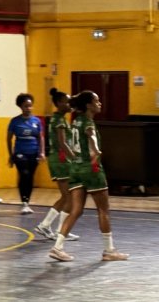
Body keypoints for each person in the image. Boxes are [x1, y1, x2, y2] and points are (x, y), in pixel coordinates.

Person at [49, 91, 129, 263]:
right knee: (103, 210)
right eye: (96, 101)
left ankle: (58, 247)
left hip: (75, 169)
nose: (99, 103)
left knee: (76, 210)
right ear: (88, 105)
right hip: (91, 169)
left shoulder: (75, 122)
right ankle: (109, 250)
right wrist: (96, 151)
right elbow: (91, 136)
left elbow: (70, 144)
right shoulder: (87, 123)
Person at [35, 88, 79, 241]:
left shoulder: (58, 118)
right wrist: (75, 158)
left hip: (59, 159)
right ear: (59, 103)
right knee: (69, 197)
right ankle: (59, 230)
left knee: (67, 196)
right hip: (61, 160)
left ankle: (48, 226)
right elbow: (62, 143)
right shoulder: (59, 120)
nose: (70, 104)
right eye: (68, 102)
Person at [7, 93, 45, 214]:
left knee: (30, 177)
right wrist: (11, 155)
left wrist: (42, 152)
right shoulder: (15, 121)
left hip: (33, 153)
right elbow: (9, 139)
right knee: (24, 173)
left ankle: (27, 202)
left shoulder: (36, 121)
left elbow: (41, 137)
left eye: (30, 106)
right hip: (20, 152)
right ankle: (24, 202)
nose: (28, 108)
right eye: (25, 106)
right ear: (20, 106)